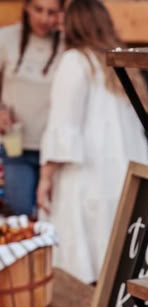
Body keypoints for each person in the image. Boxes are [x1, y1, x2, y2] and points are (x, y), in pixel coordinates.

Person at [37, 0, 148, 284]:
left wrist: (45, 177)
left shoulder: (76, 61)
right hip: (123, 176)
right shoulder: (121, 64)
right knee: (118, 261)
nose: (58, 22)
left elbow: (65, 128)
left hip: (87, 177)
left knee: (84, 266)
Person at [0, 0, 64, 216]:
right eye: (38, 10)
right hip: (17, 147)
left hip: (55, 151)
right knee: (20, 213)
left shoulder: (68, 44)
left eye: (51, 12)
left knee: (54, 217)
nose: (44, 19)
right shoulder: (6, 38)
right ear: (26, 7)